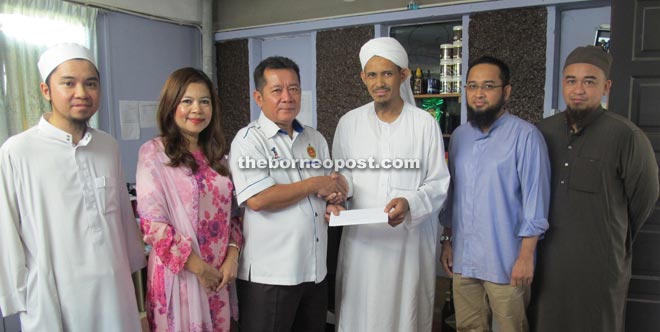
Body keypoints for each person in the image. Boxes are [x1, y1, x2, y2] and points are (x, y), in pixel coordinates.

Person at [0, 43, 145, 331]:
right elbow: (5, 229)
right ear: (46, 91)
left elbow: (122, 220)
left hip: (113, 289)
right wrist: (16, 295)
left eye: (90, 84)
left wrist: (133, 264)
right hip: (54, 295)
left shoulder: (107, 146)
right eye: (69, 83)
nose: (82, 93)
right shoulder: (17, 151)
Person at [530, 46, 659, 332]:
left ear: (606, 87)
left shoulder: (626, 136)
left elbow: (644, 200)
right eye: (571, 80)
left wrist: (609, 233)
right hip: (549, 265)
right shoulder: (541, 132)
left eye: (589, 81)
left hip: (601, 266)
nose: (578, 89)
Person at [332, 37, 451, 332]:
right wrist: (336, 195)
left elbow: (438, 182)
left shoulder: (424, 124)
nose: (379, 82)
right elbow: (342, 177)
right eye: (372, 75)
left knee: (405, 314)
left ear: (404, 74)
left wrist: (410, 202)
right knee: (360, 311)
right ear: (363, 78)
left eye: (387, 73)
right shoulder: (349, 122)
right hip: (362, 242)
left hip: (408, 243)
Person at [229, 56, 346, 332]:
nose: (287, 97)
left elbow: (325, 190)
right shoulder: (248, 141)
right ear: (259, 97)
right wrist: (314, 184)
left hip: (314, 271)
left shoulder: (314, 139)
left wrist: (332, 203)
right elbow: (258, 199)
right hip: (272, 275)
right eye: (277, 90)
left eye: (293, 89)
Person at [438, 56, 551, 332]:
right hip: (464, 261)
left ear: (506, 92)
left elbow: (536, 203)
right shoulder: (460, 137)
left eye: (488, 86)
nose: (478, 94)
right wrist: (447, 241)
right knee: (468, 327)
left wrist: (526, 258)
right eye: (472, 86)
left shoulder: (526, 136)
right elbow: (453, 196)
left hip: (507, 262)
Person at [136, 67, 243, 332]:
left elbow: (235, 216)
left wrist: (231, 257)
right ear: (172, 106)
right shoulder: (154, 154)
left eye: (204, 101)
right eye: (187, 101)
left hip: (218, 277)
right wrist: (199, 268)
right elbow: (153, 225)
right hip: (181, 275)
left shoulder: (218, 157)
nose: (197, 109)